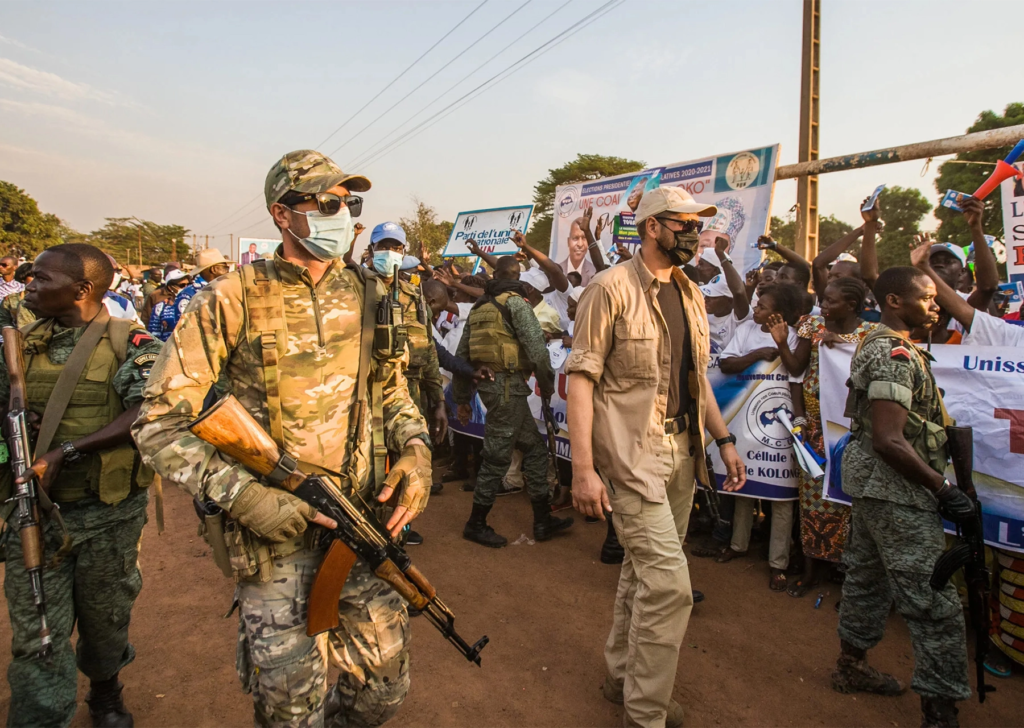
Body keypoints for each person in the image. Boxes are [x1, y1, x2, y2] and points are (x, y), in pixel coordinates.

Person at [133, 150, 431, 727]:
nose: (340, 214)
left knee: (384, 691)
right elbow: (159, 421)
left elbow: (393, 394)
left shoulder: (372, 295)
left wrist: (416, 457)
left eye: (348, 203)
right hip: (272, 539)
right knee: (291, 709)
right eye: (324, 203)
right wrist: (250, 499)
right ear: (281, 214)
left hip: (360, 521)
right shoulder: (232, 297)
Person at [566, 186, 746, 728]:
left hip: (682, 453)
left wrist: (724, 439)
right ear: (651, 227)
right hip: (630, 459)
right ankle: (645, 714)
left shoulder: (689, 293)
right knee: (669, 587)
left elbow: (697, 381)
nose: (694, 232)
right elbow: (580, 381)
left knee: (640, 575)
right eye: (683, 223)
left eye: (698, 223)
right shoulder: (609, 289)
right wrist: (582, 470)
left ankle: (620, 676)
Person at [1, 244, 161, 727]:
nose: (29, 285)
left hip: (106, 514)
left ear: (82, 289)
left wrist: (67, 451)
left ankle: (106, 692)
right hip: (34, 514)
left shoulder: (130, 343)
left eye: (41, 279)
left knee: (106, 618)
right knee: (36, 631)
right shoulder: (18, 344)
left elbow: (147, 412)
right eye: (29, 277)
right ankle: (41, 715)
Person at [834, 266, 972, 728]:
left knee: (867, 579)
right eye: (927, 298)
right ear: (894, 301)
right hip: (896, 492)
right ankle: (939, 709)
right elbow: (890, 440)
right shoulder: (893, 352)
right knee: (932, 599)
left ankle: (851, 666)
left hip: (874, 486)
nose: (936, 305)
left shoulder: (889, 343)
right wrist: (943, 489)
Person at [453, 255, 571, 547]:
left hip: (495, 390)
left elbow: (461, 355)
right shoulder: (516, 304)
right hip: (507, 388)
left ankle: (543, 520)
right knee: (497, 455)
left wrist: (462, 399)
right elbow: (538, 351)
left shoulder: (480, 307)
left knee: (532, 449)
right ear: (516, 276)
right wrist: (546, 385)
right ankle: (476, 523)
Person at [785, 277, 876, 598]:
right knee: (812, 502)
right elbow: (796, 371)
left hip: (851, 432)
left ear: (851, 305)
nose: (822, 306)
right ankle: (811, 571)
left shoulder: (870, 337)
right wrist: (799, 417)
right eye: (822, 299)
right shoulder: (811, 326)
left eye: (830, 301)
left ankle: (848, 576)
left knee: (850, 504)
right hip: (813, 430)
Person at [717, 284, 803, 590]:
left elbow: (798, 372)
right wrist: (756, 355)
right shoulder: (746, 332)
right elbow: (726, 364)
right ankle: (738, 545)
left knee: (781, 496)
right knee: (744, 483)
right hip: (745, 422)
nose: (755, 310)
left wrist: (780, 346)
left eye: (762, 306)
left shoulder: (794, 335)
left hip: (781, 425)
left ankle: (777, 562)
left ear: (778, 313)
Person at [366, 221, 446, 512]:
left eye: (396, 247)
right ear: (372, 250)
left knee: (407, 459)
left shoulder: (415, 297)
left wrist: (437, 400)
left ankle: (398, 527)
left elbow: (429, 351)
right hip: (366, 393)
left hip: (408, 394)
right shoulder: (355, 289)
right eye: (384, 246)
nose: (390, 253)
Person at [159, 249, 230, 334]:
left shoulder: (221, 289)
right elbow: (185, 328)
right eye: (225, 268)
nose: (228, 271)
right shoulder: (189, 294)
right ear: (214, 269)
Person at [699, 236, 751, 352]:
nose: (706, 299)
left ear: (729, 300)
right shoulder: (704, 313)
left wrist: (720, 254)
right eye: (707, 295)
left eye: (712, 297)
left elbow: (738, 291)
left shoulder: (738, 317)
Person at [146, 269, 189, 342]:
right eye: (182, 285)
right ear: (170, 287)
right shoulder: (160, 307)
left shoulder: (193, 303)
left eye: (188, 284)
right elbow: (154, 334)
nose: (186, 288)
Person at [558, 217, 598, 286]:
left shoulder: (594, 273)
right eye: (575, 238)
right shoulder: (558, 270)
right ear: (568, 241)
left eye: (584, 238)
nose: (580, 244)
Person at [0, 262, 36, 330]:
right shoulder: (10, 300)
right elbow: (3, 320)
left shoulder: (50, 299)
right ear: (23, 279)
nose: (36, 279)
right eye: (32, 276)